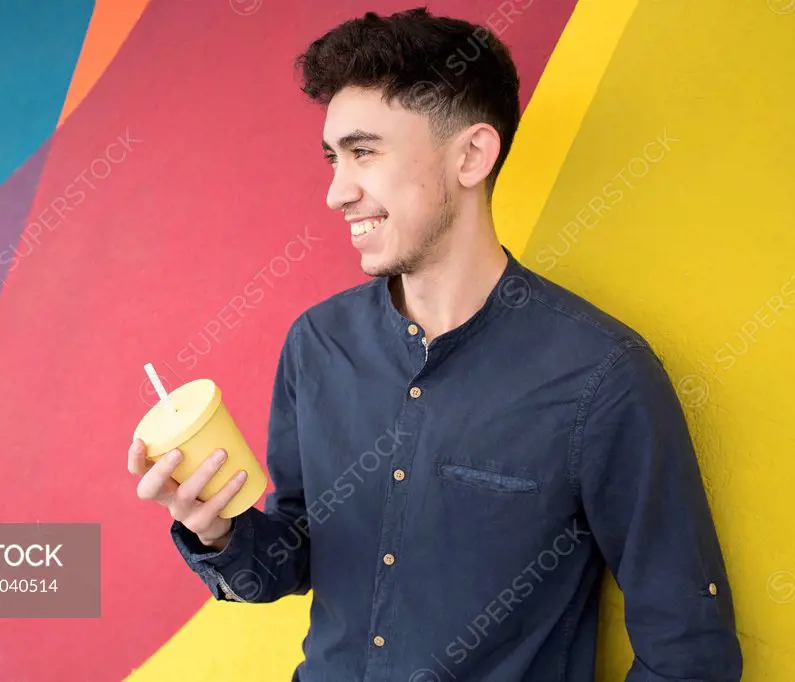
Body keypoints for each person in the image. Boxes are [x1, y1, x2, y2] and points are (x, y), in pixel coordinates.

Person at [128, 7, 742, 681]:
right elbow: (292, 561)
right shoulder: (317, 345)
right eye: (334, 158)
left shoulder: (602, 377)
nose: (337, 191)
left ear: (471, 156)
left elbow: (690, 653)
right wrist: (217, 532)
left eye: (365, 152)